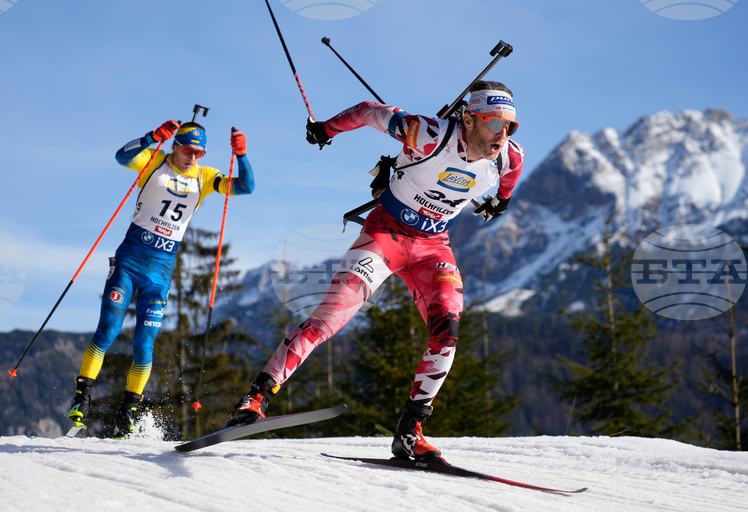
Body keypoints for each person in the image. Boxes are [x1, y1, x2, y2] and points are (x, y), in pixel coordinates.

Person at [225, 81, 524, 462]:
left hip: (433, 247)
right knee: (330, 318)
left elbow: (511, 177)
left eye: (510, 126)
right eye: (494, 123)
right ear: (468, 119)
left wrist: (500, 202)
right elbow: (369, 110)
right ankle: (254, 398)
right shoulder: (427, 134)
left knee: (448, 329)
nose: (503, 135)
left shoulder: (508, 156)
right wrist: (325, 129)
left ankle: (411, 432)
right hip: (387, 233)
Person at [67, 120, 255, 437]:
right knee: (108, 330)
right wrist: (151, 137)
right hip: (129, 263)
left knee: (144, 344)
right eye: (187, 149)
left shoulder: (205, 177)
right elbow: (121, 158)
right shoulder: (155, 162)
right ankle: (81, 399)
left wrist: (243, 155)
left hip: (160, 273)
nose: (192, 157)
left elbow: (246, 187)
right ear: (175, 145)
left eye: (199, 152)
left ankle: (128, 412)